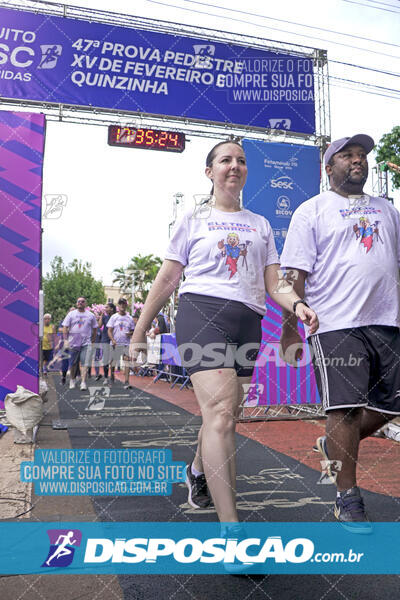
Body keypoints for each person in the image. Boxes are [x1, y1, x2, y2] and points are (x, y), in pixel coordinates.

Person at [130, 140, 318, 536]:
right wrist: (140, 330)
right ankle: (231, 531)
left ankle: (197, 470)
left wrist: (297, 304)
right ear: (209, 171)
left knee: (226, 416)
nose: (235, 166)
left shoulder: (260, 224)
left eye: (241, 161)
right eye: (225, 160)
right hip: (203, 314)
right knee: (219, 417)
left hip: (248, 321)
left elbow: (274, 281)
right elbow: (167, 279)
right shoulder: (193, 220)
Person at [279, 134, 400, 533]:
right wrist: (290, 330)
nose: (357, 161)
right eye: (347, 155)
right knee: (345, 409)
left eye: (362, 155)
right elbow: (294, 273)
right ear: (328, 168)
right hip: (333, 323)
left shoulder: (388, 209)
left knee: (392, 406)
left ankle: (334, 446)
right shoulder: (311, 211)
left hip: (388, 321)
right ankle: (346, 496)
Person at [62, 297, 97, 390]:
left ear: (85, 304)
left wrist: (93, 340)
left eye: (82, 302)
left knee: (84, 363)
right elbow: (65, 327)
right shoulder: (71, 314)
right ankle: (72, 380)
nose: (80, 303)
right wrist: (66, 340)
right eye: (79, 301)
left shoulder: (91, 315)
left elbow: (95, 328)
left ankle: (83, 382)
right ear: (76, 303)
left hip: (86, 343)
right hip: (74, 343)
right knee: (73, 363)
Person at [107, 298, 135, 389]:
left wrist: (130, 333)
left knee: (126, 362)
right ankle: (111, 377)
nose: (122, 305)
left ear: (126, 305)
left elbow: (132, 331)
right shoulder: (114, 317)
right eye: (120, 304)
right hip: (115, 343)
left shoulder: (129, 318)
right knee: (113, 362)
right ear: (118, 306)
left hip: (125, 343)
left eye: (124, 304)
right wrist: (113, 340)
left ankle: (127, 381)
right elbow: (109, 331)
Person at [97, 302, 116, 384]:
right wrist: (101, 315)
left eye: (107, 307)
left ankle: (112, 375)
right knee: (105, 359)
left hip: (114, 339)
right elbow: (99, 325)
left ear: (111, 308)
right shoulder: (104, 317)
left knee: (112, 359)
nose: (105, 308)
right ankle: (105, 377)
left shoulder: (116, 317)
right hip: (105, 339)